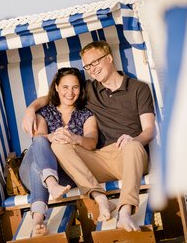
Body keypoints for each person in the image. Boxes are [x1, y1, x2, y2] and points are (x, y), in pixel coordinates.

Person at [22, 40, 156, 232]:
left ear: (109, 58)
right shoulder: (89, 90)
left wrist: (135, 140)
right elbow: (56, 95)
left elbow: (149, 130)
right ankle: (100, 198)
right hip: (98, 160)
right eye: (87, 66)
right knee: (60, 144)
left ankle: (125, 212)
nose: (92, 70)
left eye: (95, 63)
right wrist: (31, 109)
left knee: (133, 146)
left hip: (128, 155)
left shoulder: (138, 89)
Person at [19, 67, 98, 236]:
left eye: (75, 87)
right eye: (65, 87)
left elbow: (92, 143)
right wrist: (53, 136)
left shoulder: (85, 115)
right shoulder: (45, 112)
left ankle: (38, 219)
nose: (70, 92)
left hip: (66, 175)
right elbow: (39, 137)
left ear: (81, 89)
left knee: (36, 168)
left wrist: (73, 138)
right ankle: (51, 184)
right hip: (36, 173)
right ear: (56, 87)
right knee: (40, 141)